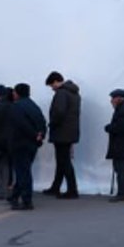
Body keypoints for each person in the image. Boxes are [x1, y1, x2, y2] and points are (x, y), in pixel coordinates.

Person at [7, 83, 47, 211]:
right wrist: (40, 135)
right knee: (23, 170)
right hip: (32, 144)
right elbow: (42, 122)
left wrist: (34, 135)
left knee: (23, 172)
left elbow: (21, 124)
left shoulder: (16, 106)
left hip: (20, 143)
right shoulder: (34, 106)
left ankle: (27, 200)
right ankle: (14, 196)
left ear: (17, 93)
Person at [43, 71, 81, 199]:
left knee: (64, 161)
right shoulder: (74, 93)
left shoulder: (62, 93)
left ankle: (72, 190)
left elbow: (59, 112)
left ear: (55, 81)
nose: (52, 89)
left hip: (61, 132)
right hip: (70, 131)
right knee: (62, 161)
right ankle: (56, 187)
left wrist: (52, 124)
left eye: (51, 86)